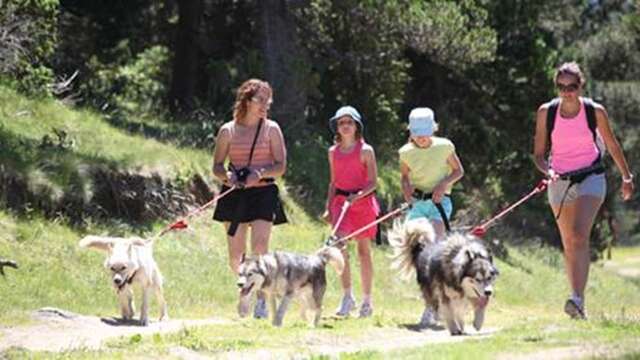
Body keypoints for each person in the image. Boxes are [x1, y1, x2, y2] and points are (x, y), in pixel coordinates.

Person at [533, 62, 634, 319]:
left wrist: (626, 176)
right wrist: (549, 171)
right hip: (560, 180)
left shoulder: (594, 111)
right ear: (556, 87)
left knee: (579, 235)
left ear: (581, 86)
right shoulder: (547, 112)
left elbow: (611, 144)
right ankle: (579, 302)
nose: (567, 92)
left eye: (572, 87)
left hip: (591, 176)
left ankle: (576, 298)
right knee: (569, 242)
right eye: (561, 87)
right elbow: (539, 155)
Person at [212, 78, 288, 319]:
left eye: (269, 101)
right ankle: (245, 292)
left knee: (259, 248)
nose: (266, 105)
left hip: (263, 192)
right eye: (261, 100)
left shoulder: (272, 129)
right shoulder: (228, 130)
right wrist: (228, 178)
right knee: (236, 257)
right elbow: (216, 165)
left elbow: (281, 166)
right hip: (234, 194)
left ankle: (262, 301)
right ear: (246, 100)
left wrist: (260, 173)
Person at [398, 107, 464, 326]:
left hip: (439, 203)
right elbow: (405, 177)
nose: (422, 138)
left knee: (433, 247)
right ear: (411, 132)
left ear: (434, 129)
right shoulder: (405, 152)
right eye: (418, 134)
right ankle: (430, 297)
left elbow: (458, 171)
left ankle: (433, 307)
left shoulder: (445, 147)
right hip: (418, 204)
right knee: (419, 254)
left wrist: (444, 184)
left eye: (426, 133)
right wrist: (406, 189)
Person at [323, 106, 379, 318]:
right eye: (341, 123)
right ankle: (347, 296)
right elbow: (333, 182)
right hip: (340, 203)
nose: (345, 126)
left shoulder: (366, 151)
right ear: (336, 127)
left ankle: (367, 300)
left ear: (357, 126)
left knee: (363, 252)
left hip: (362, 203)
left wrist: (358, 196)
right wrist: (328, 207)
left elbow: (373, 182)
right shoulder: (332, 152)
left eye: (349, 122)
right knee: (340, 247)